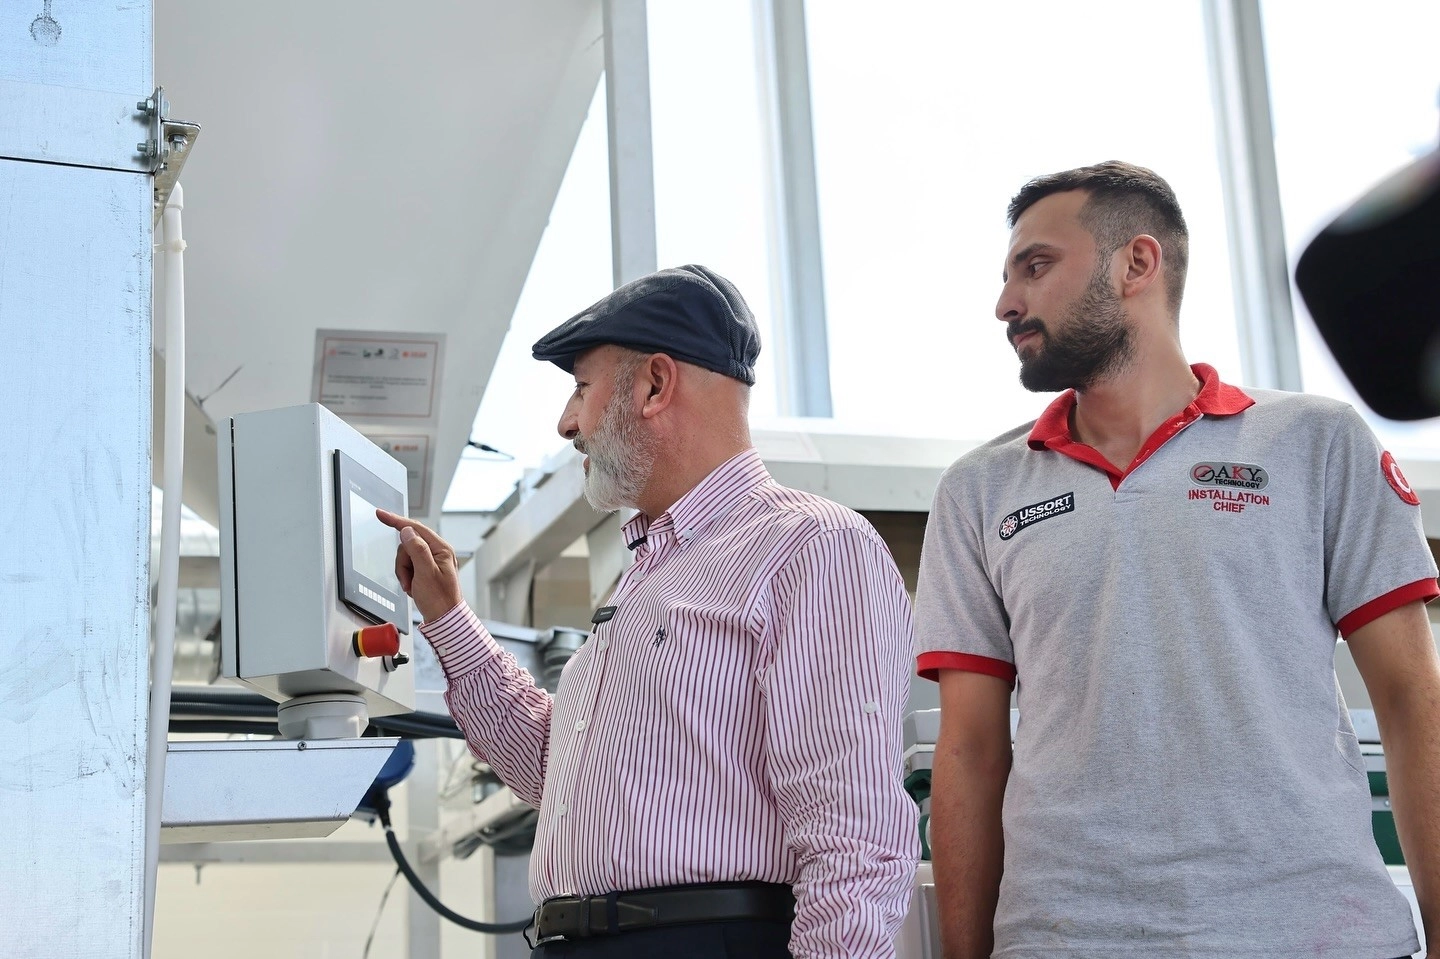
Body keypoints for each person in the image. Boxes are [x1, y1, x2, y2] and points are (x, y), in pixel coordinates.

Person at [914, 161, 1440, 959]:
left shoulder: (1317, 443)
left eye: (1036, 265)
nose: (1006, 302)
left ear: (1137, 263)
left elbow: (1410, 700)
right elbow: (970, 753)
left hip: (1317, 936)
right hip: (1067, 942)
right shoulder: (977, 490)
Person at [378, 265, 919, 959]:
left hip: (701, 940)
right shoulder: (642, 577)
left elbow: (855, 837)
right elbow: (550, 770)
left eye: (582, 387)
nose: (567, 422)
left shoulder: (810, 546)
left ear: (655, 385)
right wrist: (448, 616)